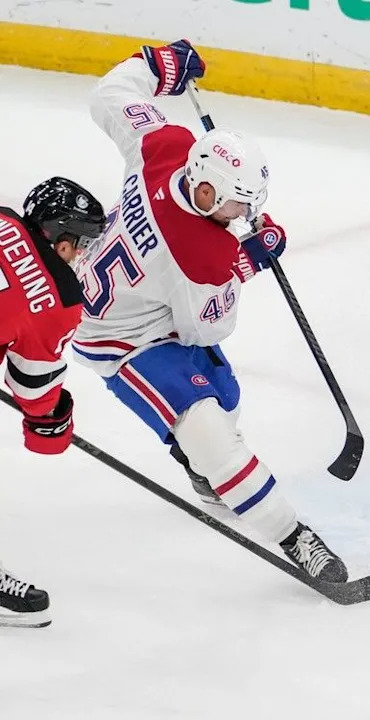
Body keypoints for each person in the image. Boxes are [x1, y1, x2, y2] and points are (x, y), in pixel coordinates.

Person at [71, 39, 348, 583]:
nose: (242, 214)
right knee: (209, 432)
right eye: (237, 205)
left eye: (248, 206)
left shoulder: (166, 146)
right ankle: (297, 537)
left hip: (132, 294)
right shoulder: (203, 256)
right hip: (120, 338)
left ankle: (202, 472)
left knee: (224, 399)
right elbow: (207, 326)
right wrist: (246, 262)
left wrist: (158, 65)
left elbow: (111, 94)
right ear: (208, 187)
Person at [0, 176, 106, 627]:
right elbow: (34, 393)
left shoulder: (3, 220)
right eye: (79, 242)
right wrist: (54, 422)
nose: (79, 253)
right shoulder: (58, 297)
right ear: (60, 239)